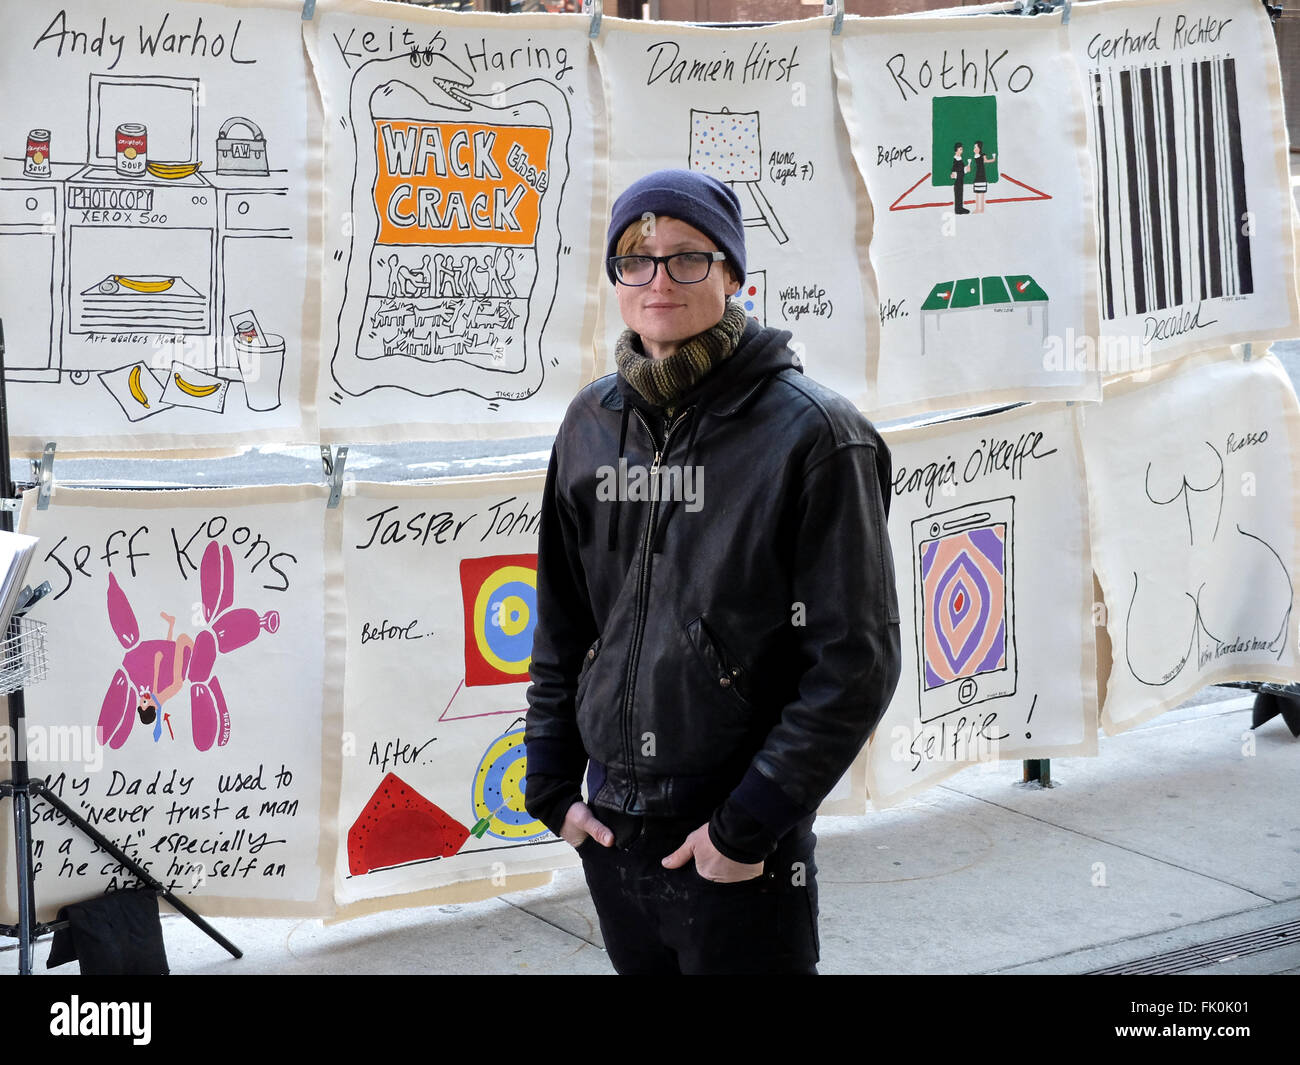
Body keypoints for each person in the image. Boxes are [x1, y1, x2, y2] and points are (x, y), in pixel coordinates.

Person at [524, 168, 902, 975]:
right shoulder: (592, 421)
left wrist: (745, 827)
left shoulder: (817, 436)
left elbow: (855, 663)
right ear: (617, 280)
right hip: (612, 826)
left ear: (733, 274)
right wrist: (552, 785)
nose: (659, 279)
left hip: (736, 842)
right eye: (637, 258)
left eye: (687, 257)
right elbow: (562, 618)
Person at [971, 141, 996, 213]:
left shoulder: (982, 155)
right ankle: (977, 208)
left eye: (975, 147)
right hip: (977, 174)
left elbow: (986, 161)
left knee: (981, 193)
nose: (974, 148)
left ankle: (981, 209)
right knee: (977, 192)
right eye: (974, 147)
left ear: (979, 147)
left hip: (982, 174)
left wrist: (993, 158)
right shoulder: (975, 155)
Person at [951, 142, 970, 215]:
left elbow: (960, 170)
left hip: (960, 180)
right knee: (958, 195)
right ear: (956, 150)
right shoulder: (955, 160)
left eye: (962, 149)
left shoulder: (959, 159)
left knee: (960, 194)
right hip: (958, 181)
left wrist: (966, 169)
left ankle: (960, 208)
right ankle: (958, 210)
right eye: (960, 149)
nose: (962, 150)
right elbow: (953, 173)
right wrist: (964, 170)